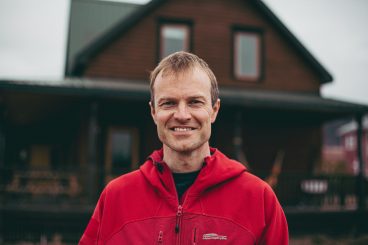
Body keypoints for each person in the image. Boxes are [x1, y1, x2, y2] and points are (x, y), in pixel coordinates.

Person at [79, 51, 288, 244]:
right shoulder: (116, 198)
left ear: (214, 110)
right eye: (168, 103)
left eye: (195, 102)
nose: (182, 115)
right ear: (153, 112)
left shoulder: (259, 199)